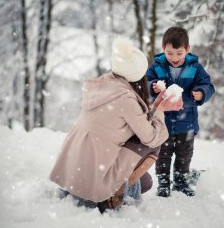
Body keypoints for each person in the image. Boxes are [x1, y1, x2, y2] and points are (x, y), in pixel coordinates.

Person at [49, 37, 183, 213]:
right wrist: (161, 111)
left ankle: (115, 188)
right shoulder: (125, 99)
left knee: (146, 182)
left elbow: (128, 118)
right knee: (154, 144)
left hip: (74, 173)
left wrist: (156, 107)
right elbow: (151, 137)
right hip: (92, 184)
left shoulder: (104, 86)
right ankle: (114, 198)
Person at [146, 26, 215, 197]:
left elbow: (208, 85)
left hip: (187, 122)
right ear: (163, 49)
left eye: (179, 53)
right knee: (163, 154)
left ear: (187, 50)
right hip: (164, 122)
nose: (174, 58)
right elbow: (144, 84)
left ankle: (181, 182)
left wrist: (201, 93)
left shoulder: (195, 67)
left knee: (184, 155)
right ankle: (163, 184)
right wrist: (152, 87)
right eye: (170, 53)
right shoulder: (157, 65)